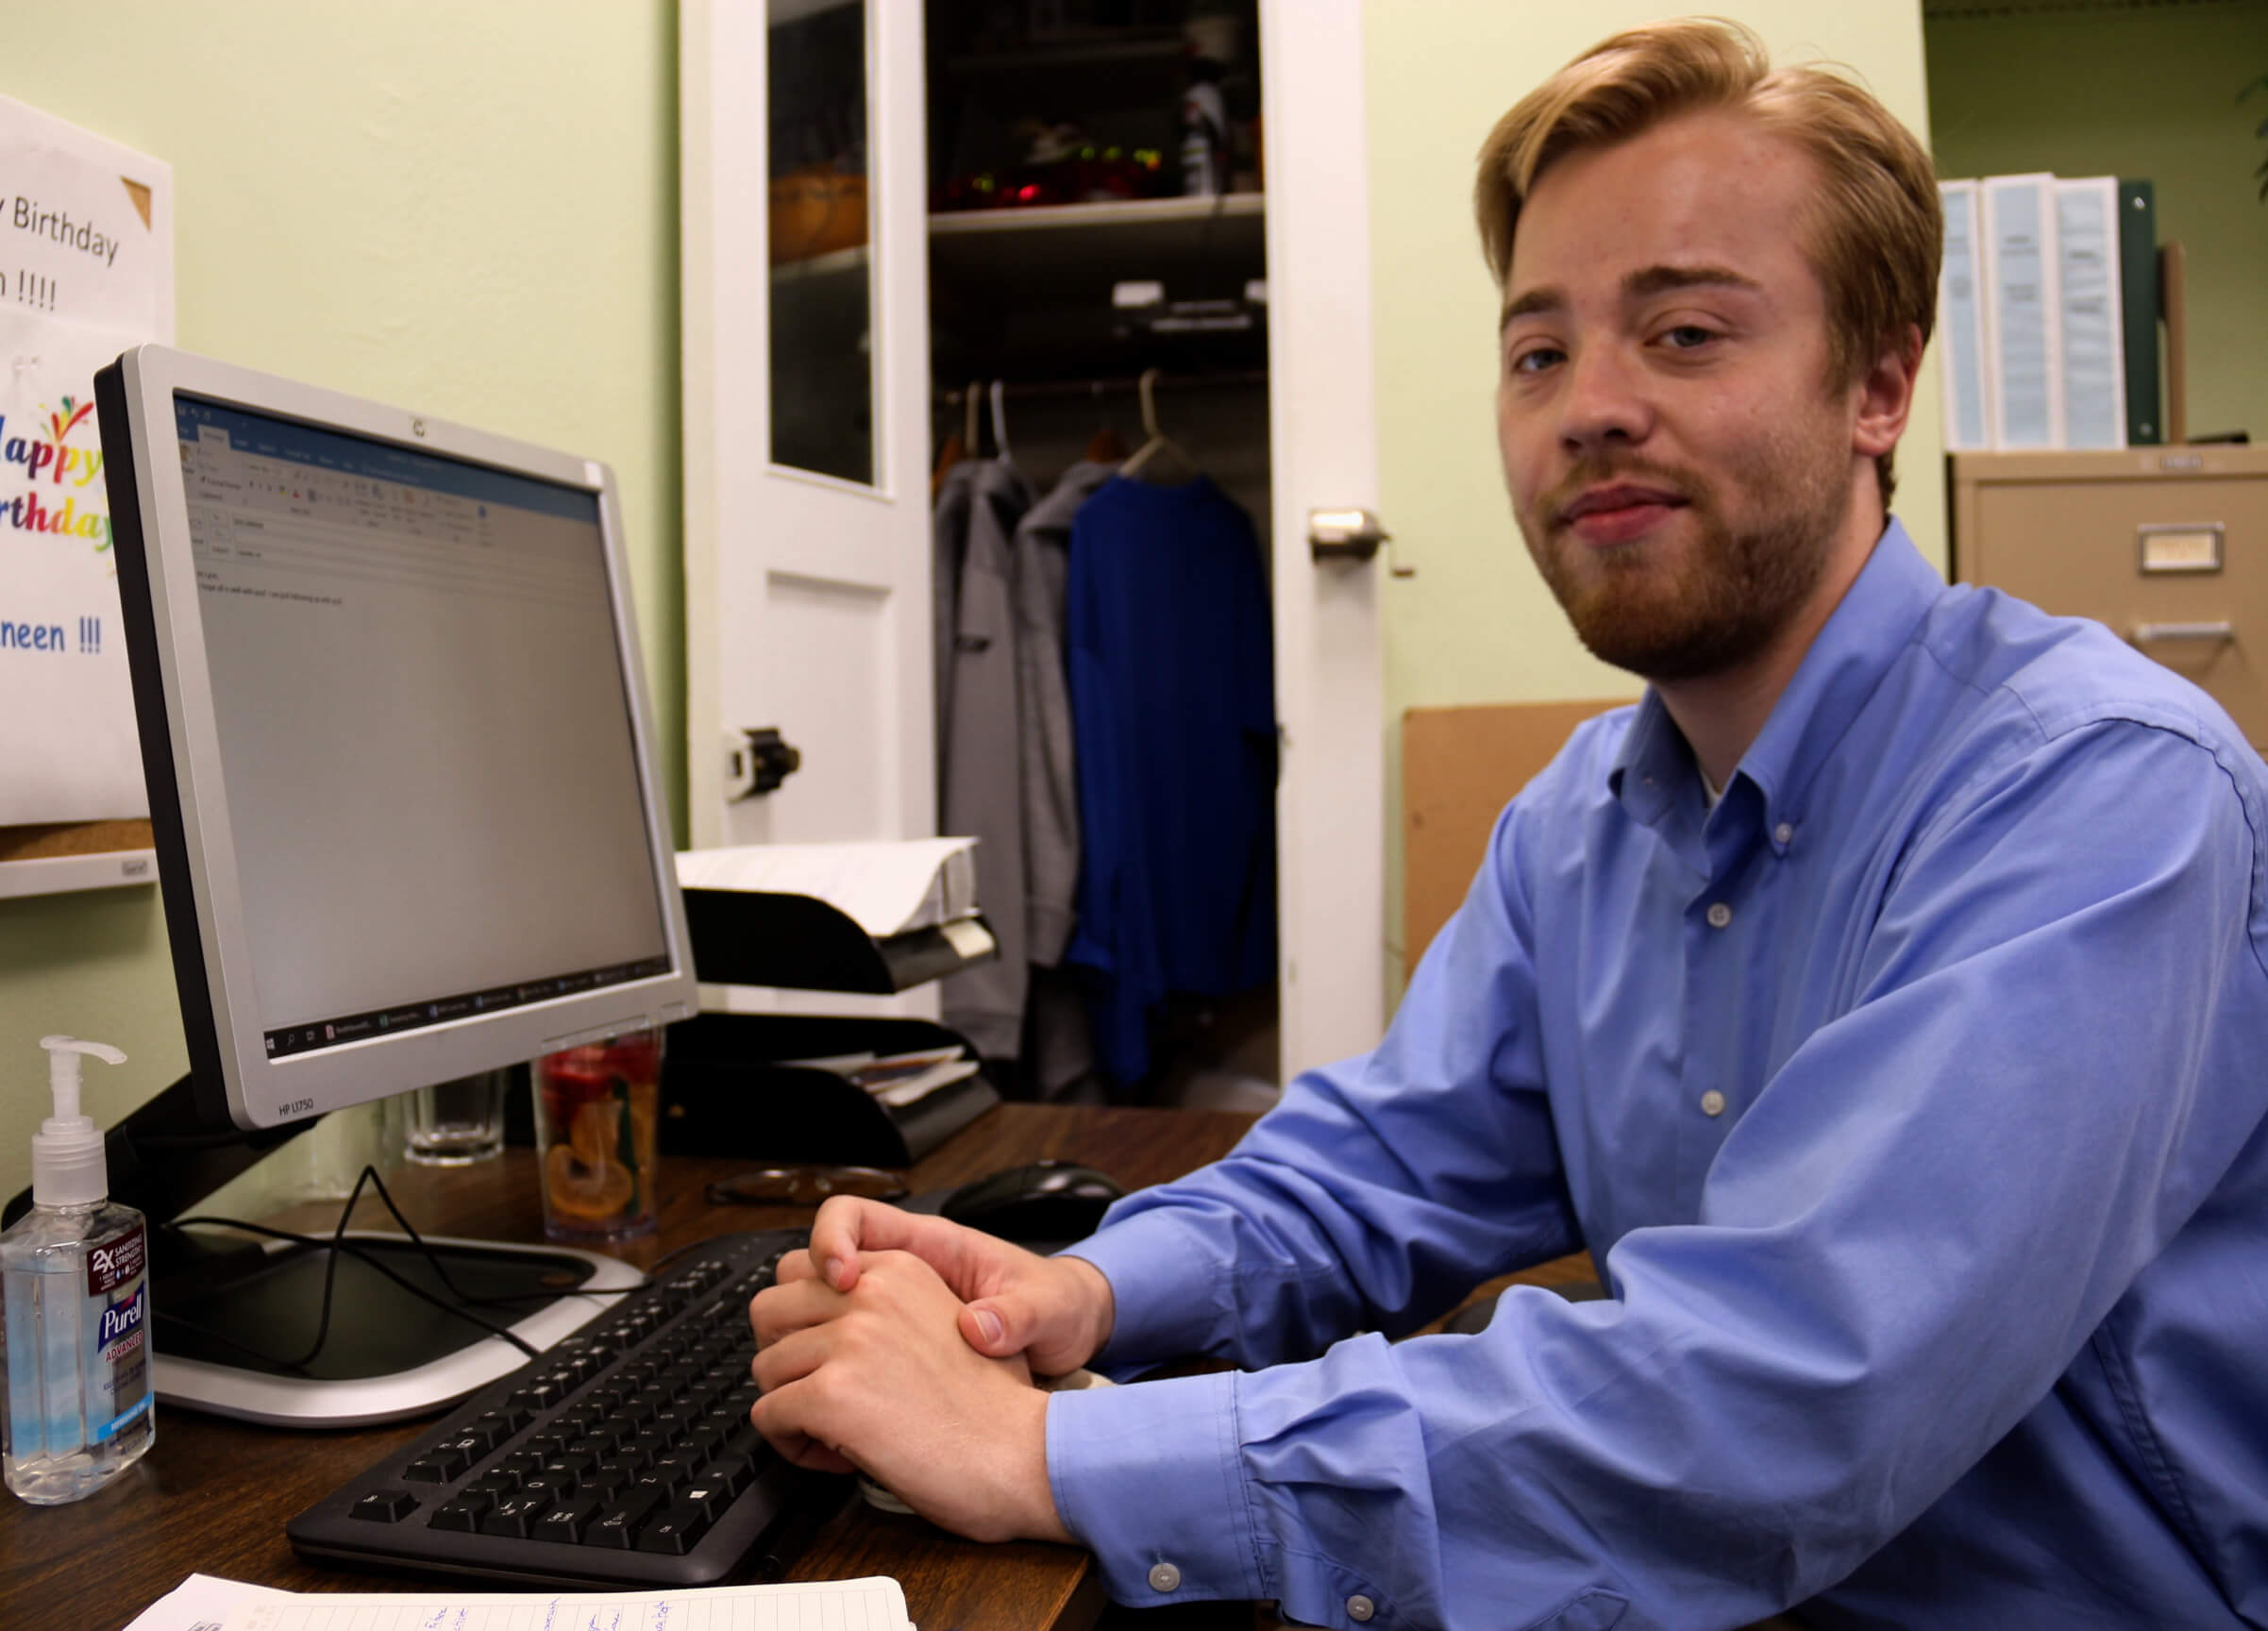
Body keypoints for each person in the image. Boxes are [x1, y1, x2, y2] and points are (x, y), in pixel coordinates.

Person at [748, 19, 2268, 1629]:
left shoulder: (2097, 788)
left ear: (1879, 383)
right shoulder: (1582, 822)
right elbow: (1379, 1166)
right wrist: (1081, 1290)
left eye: (1683, 333)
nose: (1589, 407)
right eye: (1539, 352)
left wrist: (1053, 1453)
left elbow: (1787, 1399)